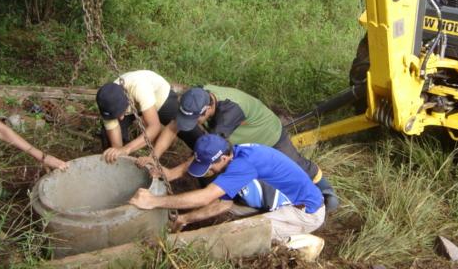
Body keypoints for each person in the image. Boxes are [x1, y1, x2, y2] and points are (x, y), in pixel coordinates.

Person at [149, 85, 338, 211]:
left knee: (298, 166)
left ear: (207, 110)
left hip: (267, 134)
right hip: (241, 141)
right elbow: (174, 126)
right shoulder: (198, 97)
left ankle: (326, 192)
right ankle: (242, 196)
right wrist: (153, 157)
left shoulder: (228, 111)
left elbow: (212, 153)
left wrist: (173, 173)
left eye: (194, 119)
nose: (190, 123)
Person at [130, 134, 325, 242]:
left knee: (240, 236)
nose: (209, 172)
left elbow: (206, 197)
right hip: (280, 202)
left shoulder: (243, 165)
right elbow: (221, 205)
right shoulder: (234, 155)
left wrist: (153, 201)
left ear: (223, 158)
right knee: (230, 211)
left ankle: (300, 243)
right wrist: (184, 218)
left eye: (210, 167)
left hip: (305, 212)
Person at [96, 70, 203, 163]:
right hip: (129, 104)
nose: (121, 118)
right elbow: (116, 146)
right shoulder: (106, 102)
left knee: (184, 125)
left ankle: (206, 157)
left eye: (120, 114)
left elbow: (154, 127)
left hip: (160, 97)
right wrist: (118, 152)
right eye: (116, 116)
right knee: (109, 140)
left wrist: (127, 149)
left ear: (127, 100)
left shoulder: (139, 87)